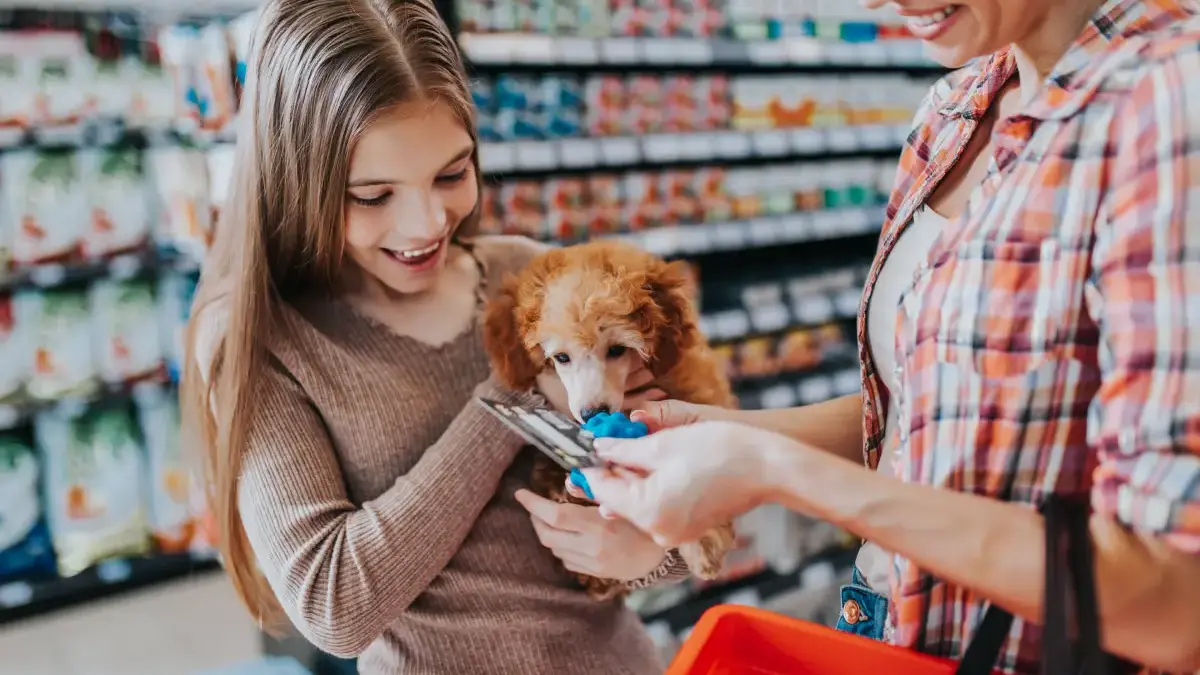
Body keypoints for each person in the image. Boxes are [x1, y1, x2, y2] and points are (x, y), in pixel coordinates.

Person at [582, 0, 1200, 673]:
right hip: (884, 624)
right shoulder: (957, 105)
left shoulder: (1171, 96)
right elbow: (929, 408)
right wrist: (725, 438)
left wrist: (771, 472)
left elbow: (1175, 604)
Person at [179, 1, 688, 673]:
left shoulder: (533, 277)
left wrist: (648, 550)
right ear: (295, 182)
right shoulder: (262, 337)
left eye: (452, 174)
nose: (425, 224)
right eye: (372, 195)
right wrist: (511, 395)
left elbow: (687, 504)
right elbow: (335, 604)